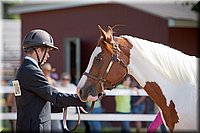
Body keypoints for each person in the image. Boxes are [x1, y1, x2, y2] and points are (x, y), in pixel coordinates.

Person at [13, 29, 85, 132]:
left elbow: (41, 103)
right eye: (47, 52)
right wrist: (82, 98)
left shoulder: (25, 69)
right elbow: (54, 95)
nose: (48, 56)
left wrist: (65, 105)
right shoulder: (31, 71)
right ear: (38, 50)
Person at [41, 62, 63, 132]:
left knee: (56, 125)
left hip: (52, 104)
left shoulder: (52, 81)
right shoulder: (42, 79)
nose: (48, 72)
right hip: (44, 104)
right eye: (47, 71)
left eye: (49, 71)